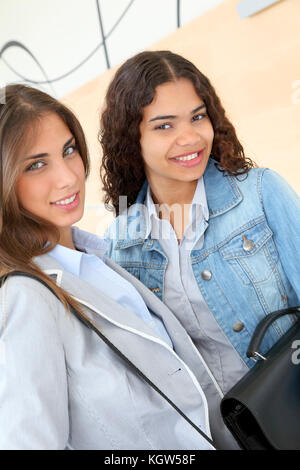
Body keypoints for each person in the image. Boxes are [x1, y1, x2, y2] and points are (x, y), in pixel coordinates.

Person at [0, 84, 220, 450]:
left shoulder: (97, 258)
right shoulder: (25, 297)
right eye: (36, 165)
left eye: (68, 150)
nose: (68, 176)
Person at [101, 50, 300, 444]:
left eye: (197, 116)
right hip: (217, 436)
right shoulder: (120, 247)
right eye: (163, 126)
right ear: (131, 140)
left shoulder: (260, 194)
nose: (189, 137)